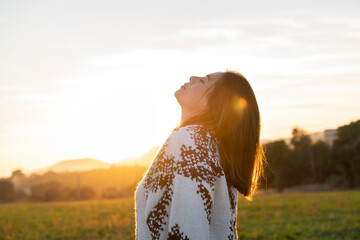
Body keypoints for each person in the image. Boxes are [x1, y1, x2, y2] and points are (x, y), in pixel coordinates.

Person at [135, 70, 267, 240]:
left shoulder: (193, 141)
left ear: (214, 104)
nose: (192, 78)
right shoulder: (210, 146)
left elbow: (187, 230)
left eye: (204, 81)